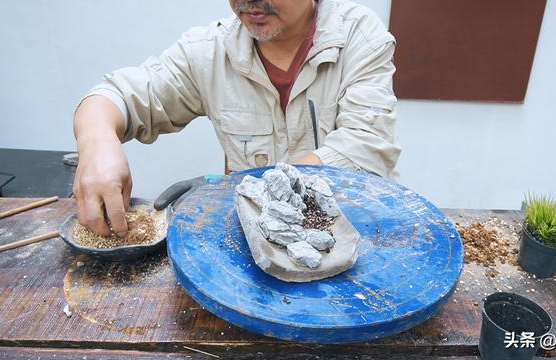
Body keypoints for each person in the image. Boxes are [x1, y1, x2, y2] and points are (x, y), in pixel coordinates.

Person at [73, 0, 401, 237]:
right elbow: (117, 96)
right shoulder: (209, 52)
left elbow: (365, 151)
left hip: (354, 235)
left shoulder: (359, 36)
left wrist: (242, 189)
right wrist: (98, 144)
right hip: (259, 242)